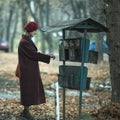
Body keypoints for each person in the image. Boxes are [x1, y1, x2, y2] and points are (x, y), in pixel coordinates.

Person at [17, 21, 55, 120]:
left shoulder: (26, 40)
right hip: (27, 71)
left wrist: (46, 55)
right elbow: (34, 54)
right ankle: (25, 113)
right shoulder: (24, 42)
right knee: (28, 91)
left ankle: (25, 112)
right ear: (30, 30)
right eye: (34, 31)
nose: (36, 33)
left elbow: (33, 53)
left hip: (29, 69)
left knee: (30, 91)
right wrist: (48, 56)